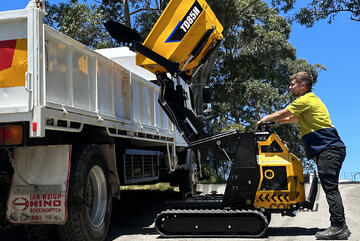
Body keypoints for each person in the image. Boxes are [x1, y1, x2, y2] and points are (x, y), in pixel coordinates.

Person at [257, 71, 351, 240]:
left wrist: (265, 119)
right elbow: (291, 118)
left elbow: (284, 113)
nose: (290, 87)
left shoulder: (305, 100)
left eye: (292, 84)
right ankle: (340, 226)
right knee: (330, 188)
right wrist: (273, 121)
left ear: (302, 85)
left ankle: (338, 226)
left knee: (330, 189)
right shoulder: (308, 102)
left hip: (329, 149)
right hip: (330, 149)